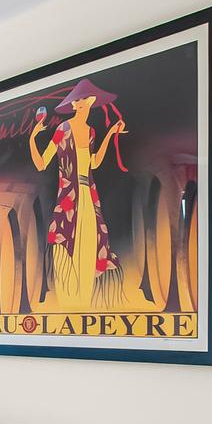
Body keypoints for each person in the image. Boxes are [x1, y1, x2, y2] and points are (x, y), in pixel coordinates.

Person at [28, 79, 125, 311]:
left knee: (89, 248)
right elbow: (42, 164)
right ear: (73, 105)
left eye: (85, 99)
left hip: (88, 196)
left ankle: (83, 304)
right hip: (69, 200)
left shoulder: (91, 132)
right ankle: (69, 302)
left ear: (92, 101)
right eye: (78, 100)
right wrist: (32, 139)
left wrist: (111, 133)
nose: (81, 103)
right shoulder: (63, 129)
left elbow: (94, 163)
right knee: (65, 249)